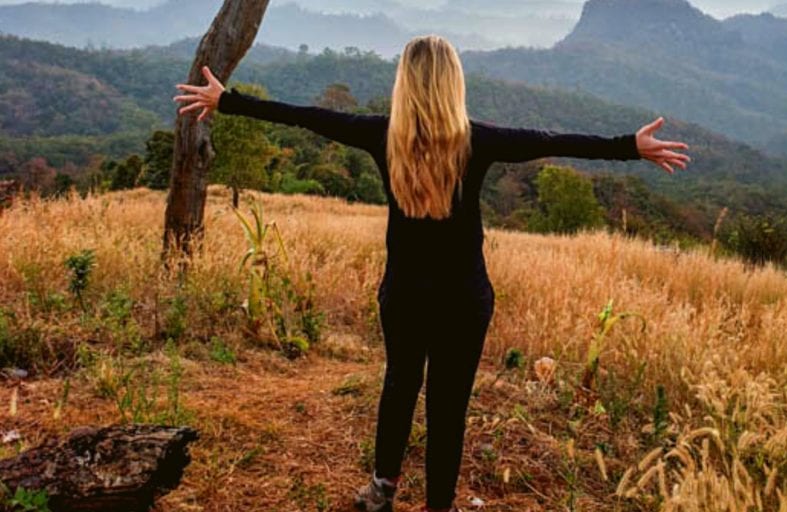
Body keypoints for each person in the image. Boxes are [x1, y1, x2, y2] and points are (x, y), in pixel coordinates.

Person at [175, 34, 690, 512]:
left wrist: (230, 101)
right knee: (448, 406)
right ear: (453, 84)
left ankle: (382, 489)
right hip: (465, 298)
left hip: (404, 293)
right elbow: (554, 140)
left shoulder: (379, 135)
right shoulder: (479, 140)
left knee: (399, 384)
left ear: (405, 82)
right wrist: (628, 146)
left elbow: (307, 116)